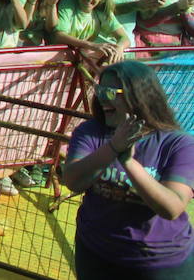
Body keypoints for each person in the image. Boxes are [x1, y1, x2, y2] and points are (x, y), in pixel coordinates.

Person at [62, 61, 194, 278]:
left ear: (139, 96)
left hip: (157, 263)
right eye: (100, 90)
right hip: (96, 253)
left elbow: (172, 207)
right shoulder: (90, 132)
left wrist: (128, 162)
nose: (102, 98)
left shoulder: (178, 144)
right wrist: (113, 148)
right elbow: (73, 180)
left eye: (111, 92)